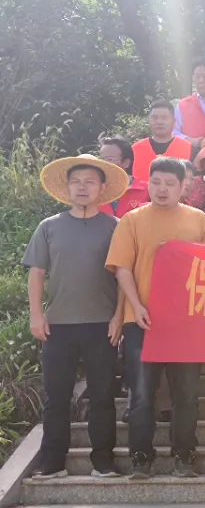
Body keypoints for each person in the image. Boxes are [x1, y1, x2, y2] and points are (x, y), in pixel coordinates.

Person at [105, 157, 205, 479]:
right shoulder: (131, 220)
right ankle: (141, 456)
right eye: (156, 182)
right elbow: (122, 268)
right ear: (148, 183)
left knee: (187, 394)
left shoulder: (198, 220)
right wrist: (136, 306)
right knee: (141, 394)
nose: (162, 189)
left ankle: (184, 454)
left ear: (184, 186)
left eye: (170, 183)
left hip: (186, 324)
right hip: (142, 321)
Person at [25, 154, 129, 479]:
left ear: (102, 188)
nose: (82, 187)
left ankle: (103, 460)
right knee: (56, 396)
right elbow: (37, 273)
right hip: (58, 326)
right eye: (76, 182)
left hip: (102, 325)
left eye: (89, 182)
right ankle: (53, 462)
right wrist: (36, 316)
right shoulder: (49, 227)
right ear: (67, 188)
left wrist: (118, 317)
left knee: (102, 396)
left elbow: (124, 276)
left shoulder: (115, 227)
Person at [132, 98, 194, 181]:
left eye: (164, 118)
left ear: (174, 121)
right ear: (149, 120)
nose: (159, 122)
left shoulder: (189, 149)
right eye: (155, 118)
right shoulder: (134, 150)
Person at [99, 137, 150, 218]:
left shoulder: (146, 190)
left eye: (109, 159)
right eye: (101, 160)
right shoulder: (96, 191)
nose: (104, 164)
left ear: (126, 163)